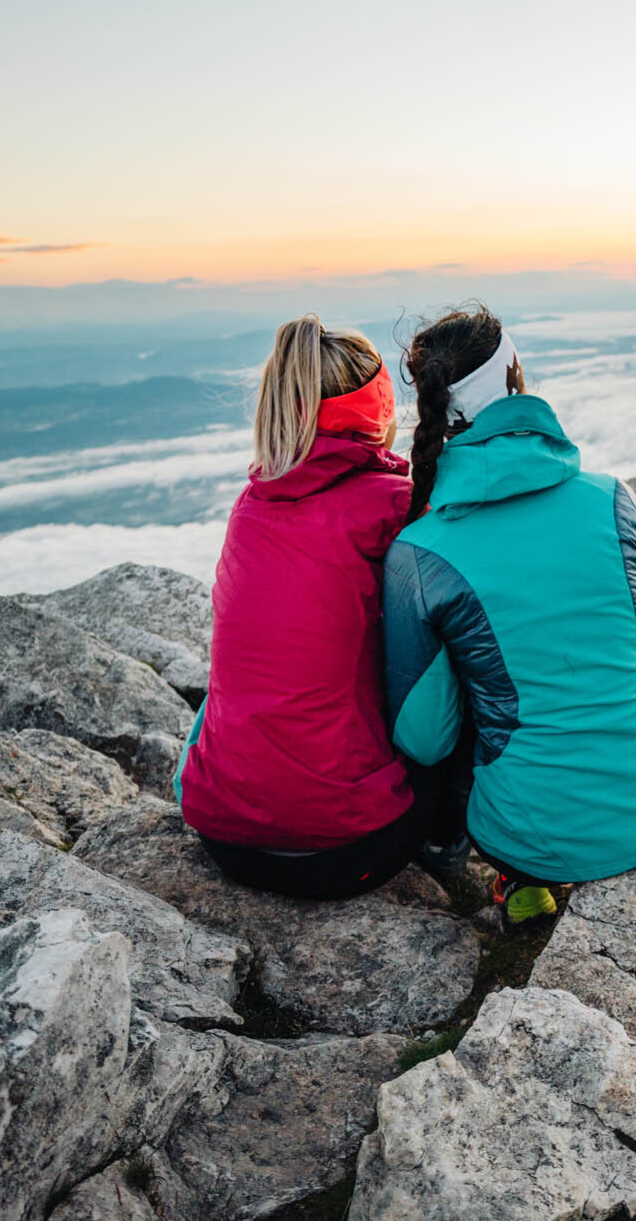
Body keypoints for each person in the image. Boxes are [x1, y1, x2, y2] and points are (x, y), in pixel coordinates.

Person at [383, 306, 636, 925]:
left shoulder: (420, 551)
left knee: (483, 702)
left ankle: (518, 889)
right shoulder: (616, 497)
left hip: (528, 835)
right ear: (516, 380)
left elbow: (423, 737)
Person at [174, 314, 434, 898]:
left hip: (225, 841)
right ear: (380, 407)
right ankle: (457, 846)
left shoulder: (250, 507)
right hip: (345, 852)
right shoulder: (394, 506)